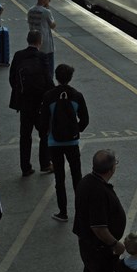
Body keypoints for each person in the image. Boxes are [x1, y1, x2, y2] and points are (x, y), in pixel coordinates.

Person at [41, 63, 89, 222]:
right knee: (77, 177)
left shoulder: (48, 96)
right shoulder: (77, 95)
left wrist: (47, 134)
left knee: (59, 179)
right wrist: (76, 130)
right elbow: (85, 119)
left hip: (54, 143)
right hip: (72, 143)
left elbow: (43, 121)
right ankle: (81, 212)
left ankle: (63, 212)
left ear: (56, 76)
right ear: (70, 78)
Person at [73, 150, 126, 272]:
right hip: (99, 249)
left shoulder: (87, 180)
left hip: (88, 245)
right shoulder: (98, 192)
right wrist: (115, 244)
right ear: (111, 168)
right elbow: (99, 228)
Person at [9, 30, 54, 178]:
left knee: (25, 135)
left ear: (27, 40)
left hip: (24, 103)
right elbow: (48, 80)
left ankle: (25, 167)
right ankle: (45, 164)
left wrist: (20, 94)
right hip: (40, 103)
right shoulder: (42, 57)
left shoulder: (18, 55)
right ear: (40, 42)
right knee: (44, 133)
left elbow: (12, 78)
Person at [27, 0, 57, 80]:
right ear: (44, 0)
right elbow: (53, 25)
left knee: (37, 65)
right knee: (49, 68)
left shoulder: (30, 10)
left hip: (33, 42)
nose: (50, 1)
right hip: (46, 44)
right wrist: (48, 9)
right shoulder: (46, 12)